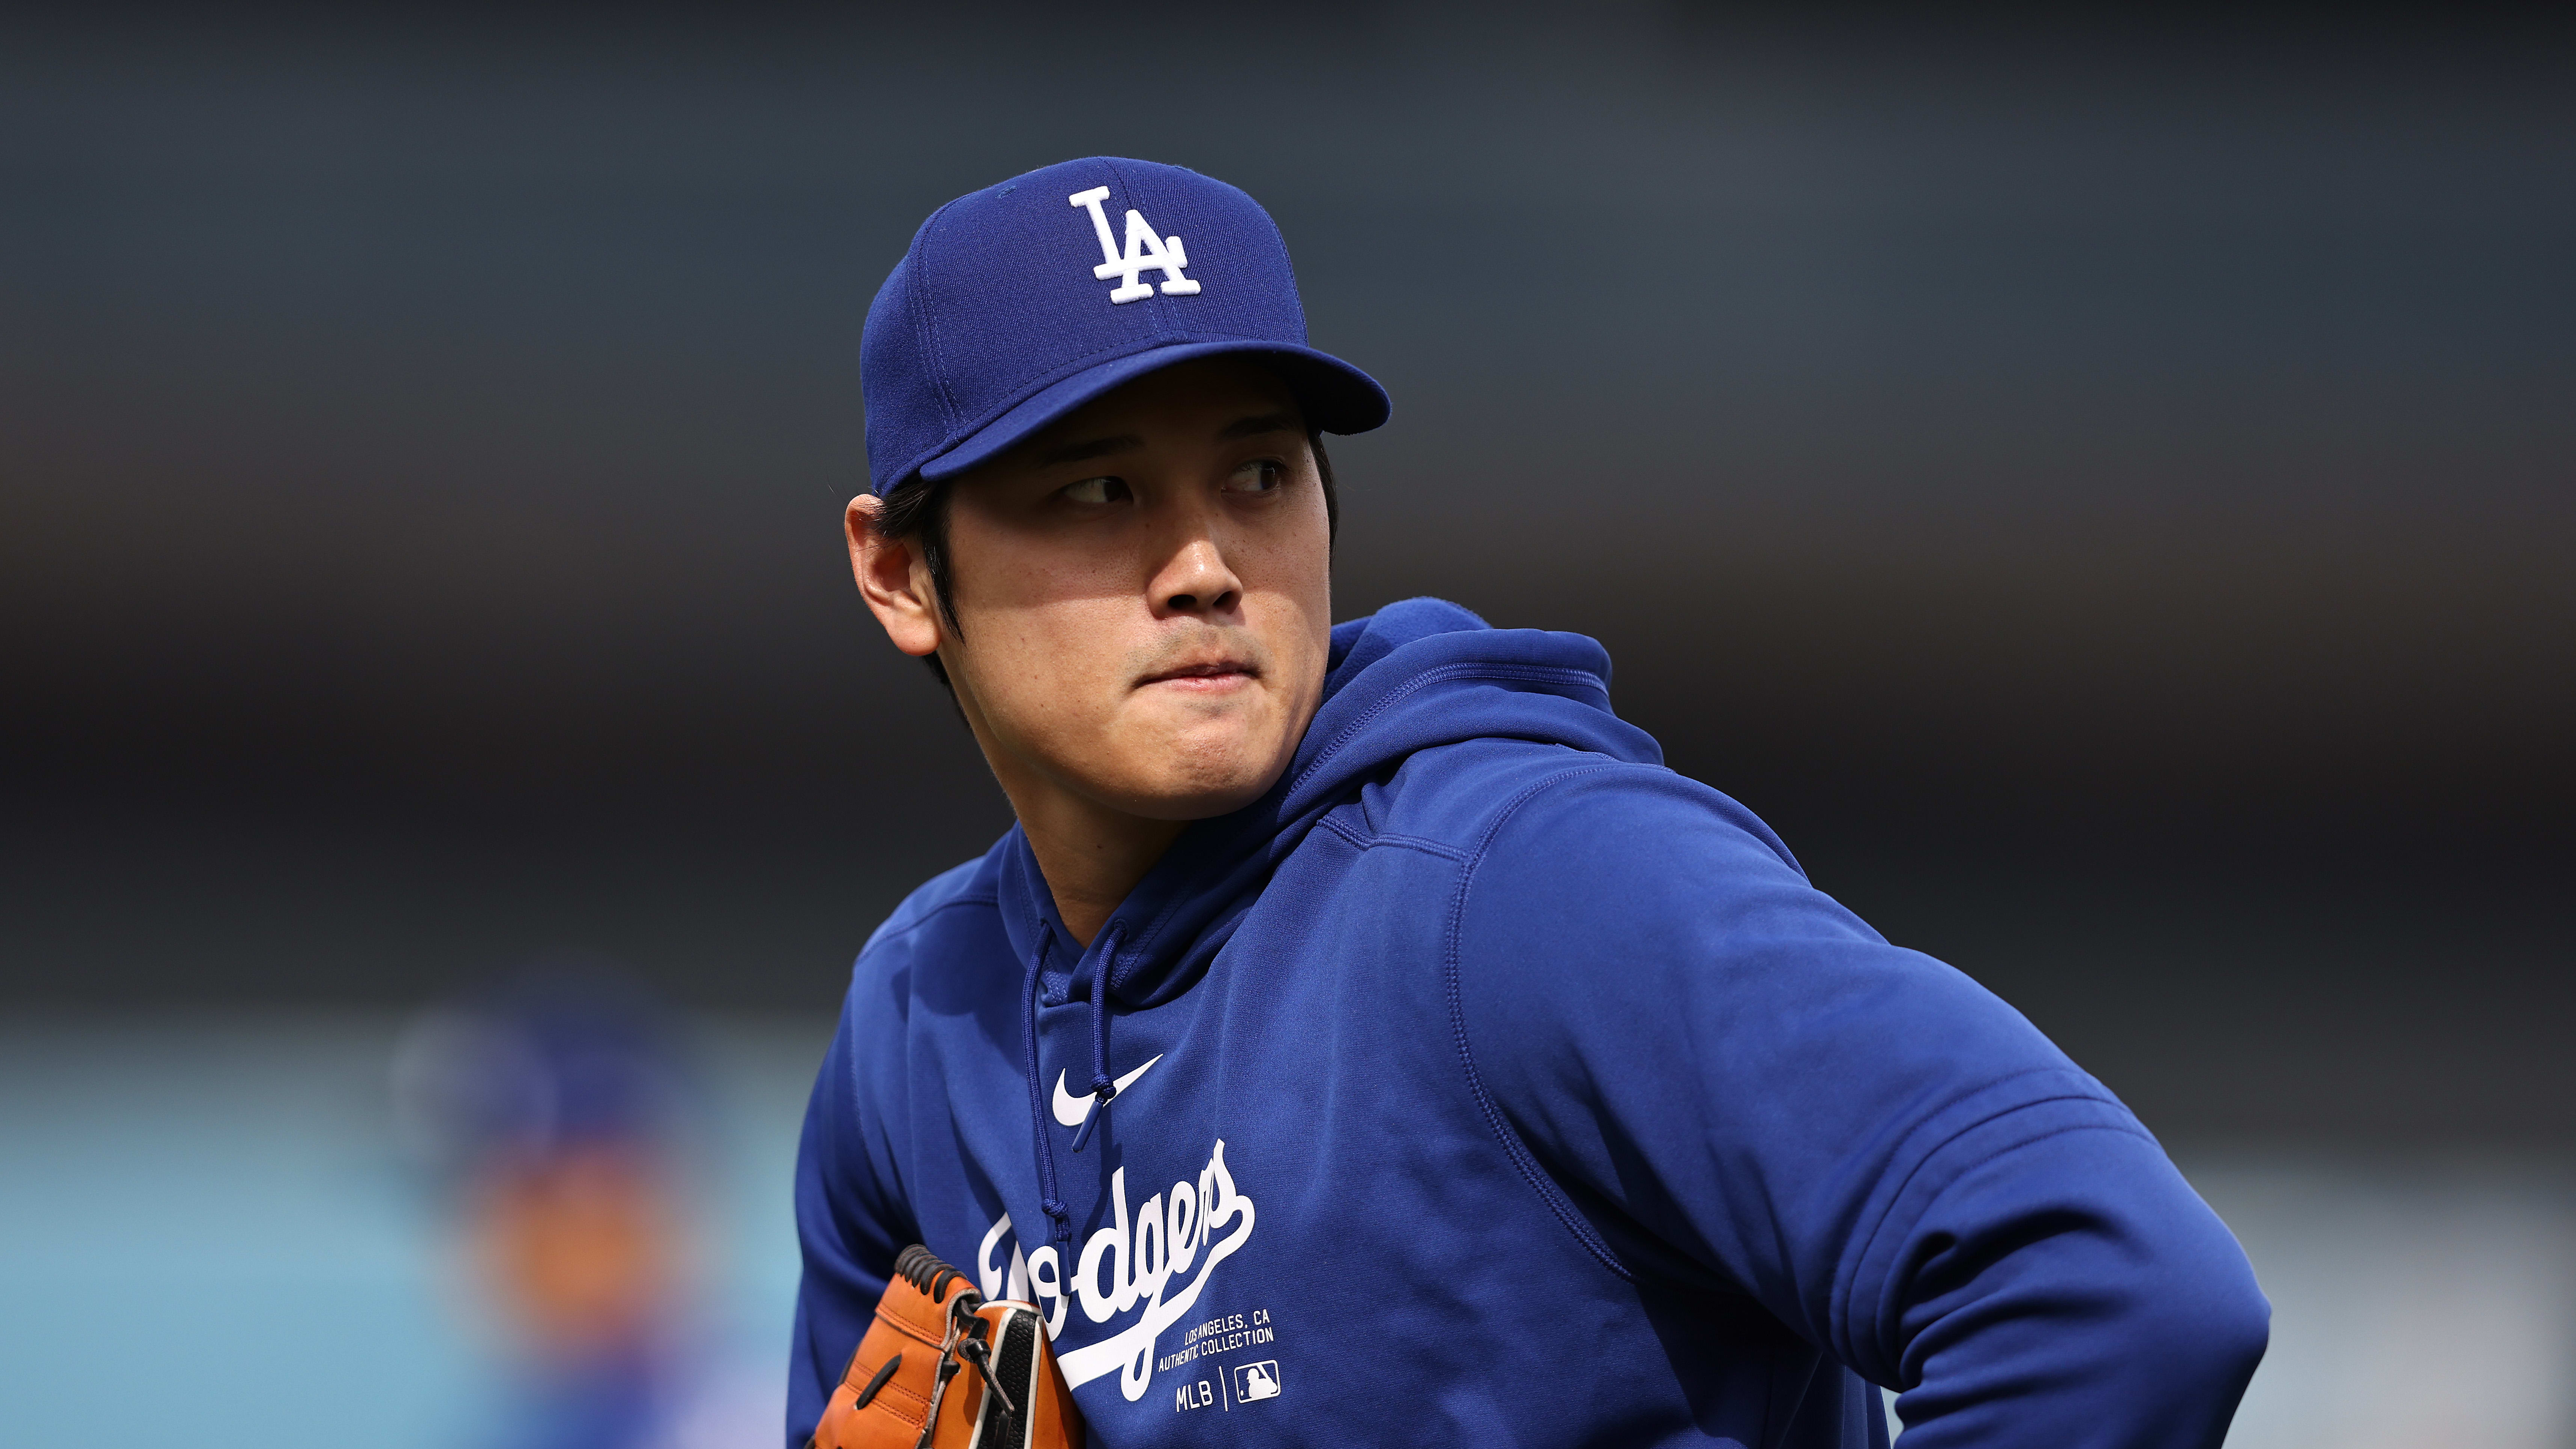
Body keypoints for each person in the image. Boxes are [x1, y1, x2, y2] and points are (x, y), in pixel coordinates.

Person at [789, 157, 2268, 1448]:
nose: (1205, 563)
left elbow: (2110, 1286)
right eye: (1097, 490)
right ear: (902, 573)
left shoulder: (1523, 887)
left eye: (1256, 470)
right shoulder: (919, 1027)